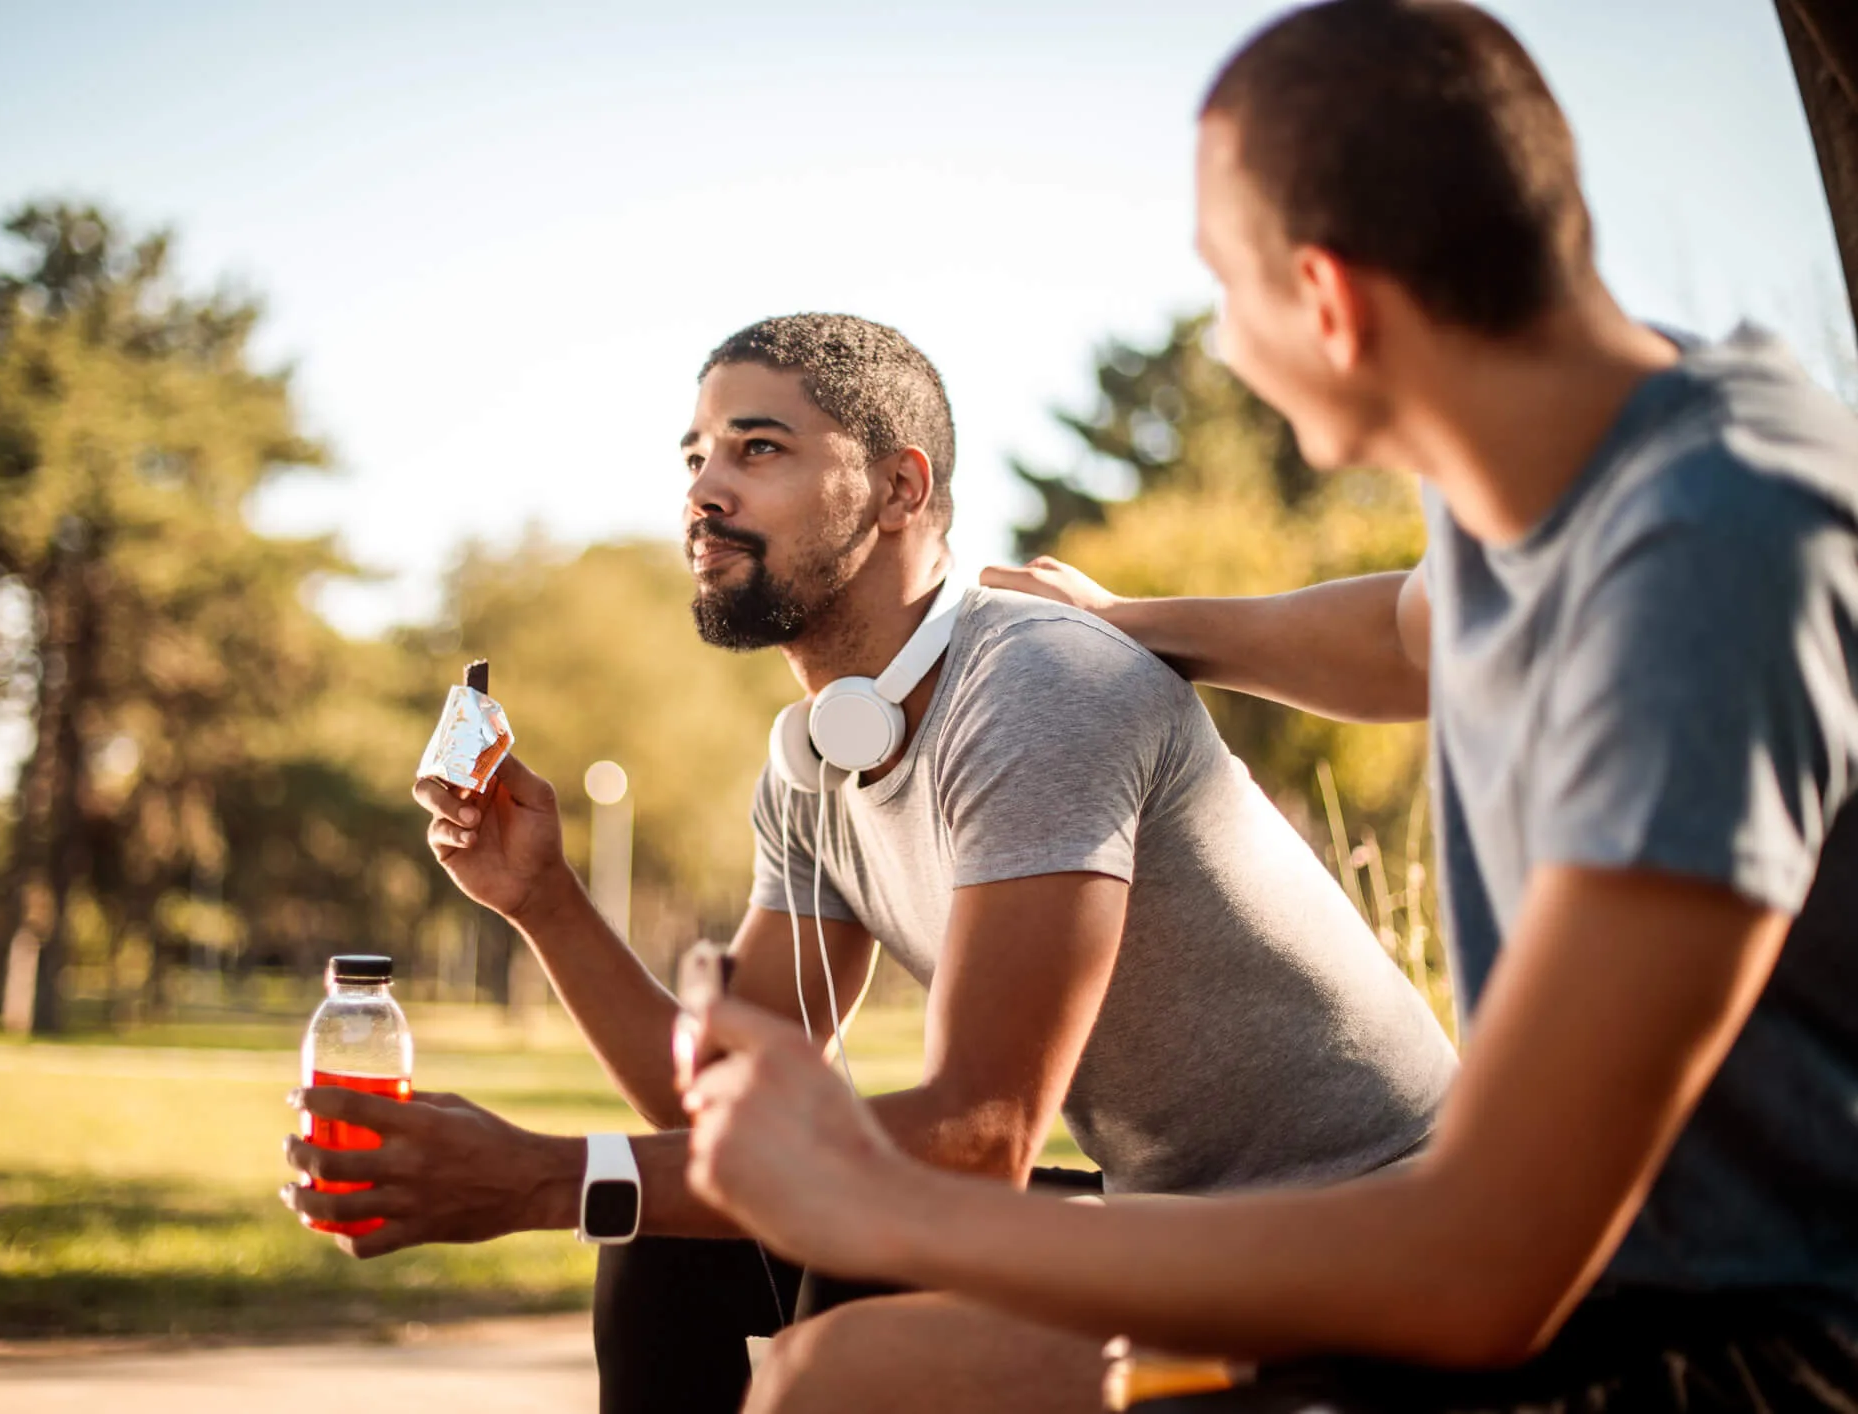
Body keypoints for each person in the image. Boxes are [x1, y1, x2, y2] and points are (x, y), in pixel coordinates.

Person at [674, 4, 1858, 1411]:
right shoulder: (1570, 448)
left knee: (856, 1380)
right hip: (1580, 1287)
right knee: (853, 1365)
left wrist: (882, 1207)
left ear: (1328, 299)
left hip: (1726, 1345)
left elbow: (1484, 1263)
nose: (1225, 343)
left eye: (1227, 289)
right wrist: (1139, 627)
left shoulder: (1714, 551)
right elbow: (1407, 631)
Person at [279, 312, 1458, 1414]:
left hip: (1359, 1237)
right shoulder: (811, 763)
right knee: (668, 1252)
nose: (705, 490)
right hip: (1168, 1226)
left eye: (758, 448)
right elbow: (711, 1114)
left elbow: (978, 1138)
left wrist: (546, 1174)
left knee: (831, 1283)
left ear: (901, 487)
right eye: (692, 457)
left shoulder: (1037, 685)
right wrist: (541, 896)